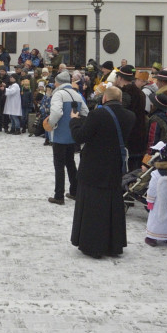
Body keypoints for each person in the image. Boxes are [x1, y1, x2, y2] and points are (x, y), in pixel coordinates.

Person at [68, 85, 134, 258]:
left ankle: (93, 245)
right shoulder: (130, 116)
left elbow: (80, 136)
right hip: (115, 167)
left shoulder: (97, 114)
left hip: (93, 167)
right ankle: (113, 245)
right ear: (120, 100)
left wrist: (74, 121)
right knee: (112, 206)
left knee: (93, 207)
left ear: (104, 98)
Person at [46, 71, 87, 204]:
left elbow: (57, 112)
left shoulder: (58, 94)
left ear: (59, 82)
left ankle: (59, 195)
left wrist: (51, 124)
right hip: (72, 134)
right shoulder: (77, 94)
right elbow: (85, 112)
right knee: (70, 162)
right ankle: (74, 191)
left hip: (60, 135)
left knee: (59, 165)